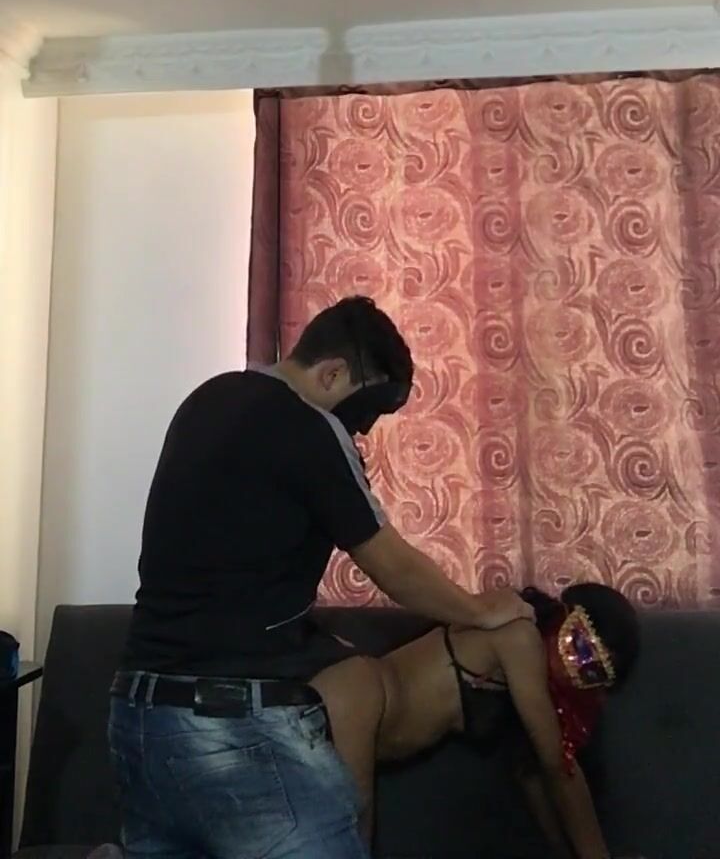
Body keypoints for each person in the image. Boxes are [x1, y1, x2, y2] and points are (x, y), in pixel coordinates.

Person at [108, 296, 533, 859]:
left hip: (137, 718)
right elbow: (391, 564)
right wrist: (480, 610)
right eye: (361, 414)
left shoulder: (206, 400)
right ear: (331, 373)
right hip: (228, 725)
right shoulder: (307, 426)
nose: (359, 432)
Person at [310, 582, 641, 859]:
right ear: (562, 616)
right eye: (579, 646)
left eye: (592, 671)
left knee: (344, 839)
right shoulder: (519, 636)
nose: (574, 668)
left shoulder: (529, 689)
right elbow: (558, 765)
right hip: (355, 696)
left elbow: (537, 777)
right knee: (351, 840)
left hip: (351, 707)